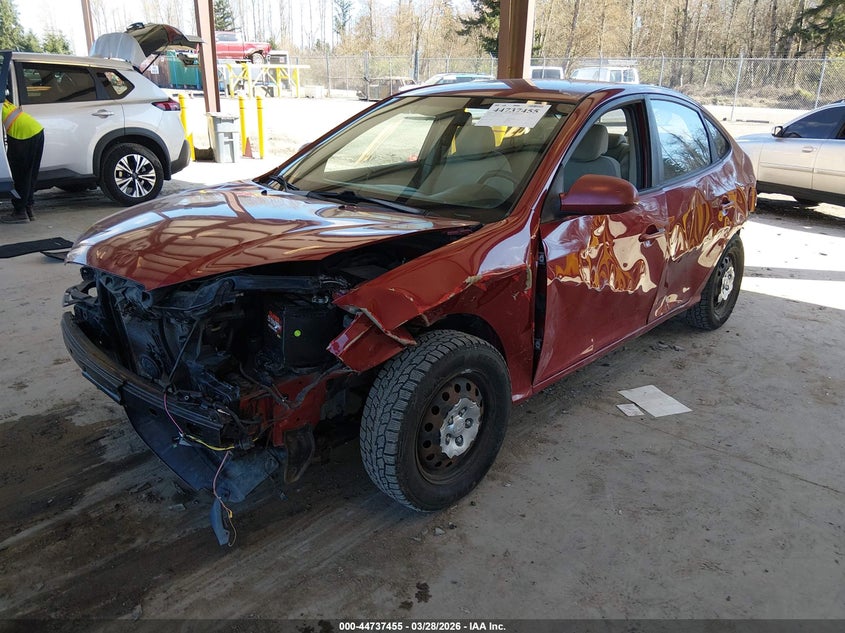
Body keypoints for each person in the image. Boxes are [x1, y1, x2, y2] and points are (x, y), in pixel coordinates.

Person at [1, 99, 44, 224]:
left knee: (20, 174)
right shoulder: (3, 99)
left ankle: (20, 212)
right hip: (36, 129)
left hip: (23, 135)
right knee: (30, 174)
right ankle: (28, 208)